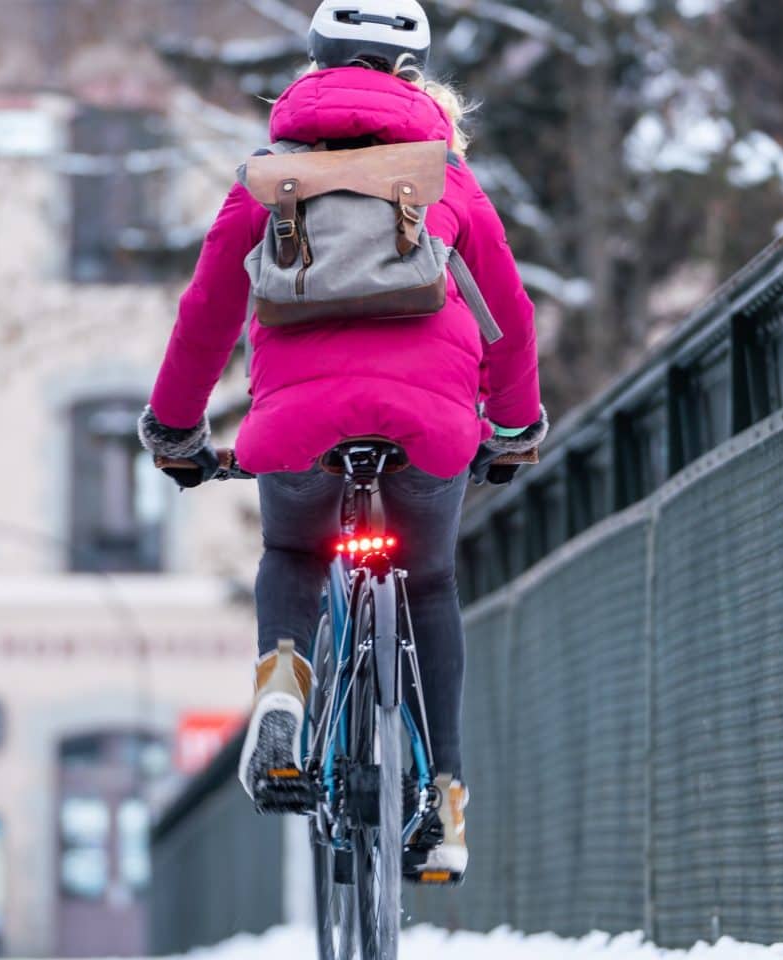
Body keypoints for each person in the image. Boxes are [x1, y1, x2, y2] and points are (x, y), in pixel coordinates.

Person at [137, 0, 544, 885]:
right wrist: (513, 429)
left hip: (296, 427)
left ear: (315, 70)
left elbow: (205, 316)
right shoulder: (448, 182)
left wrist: (175, 427)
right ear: (413, 80)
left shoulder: (268, 179)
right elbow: (510, 321)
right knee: (429, 583)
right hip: (434, 427)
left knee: (293, 549)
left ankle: (283, 683)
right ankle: (444, 804)